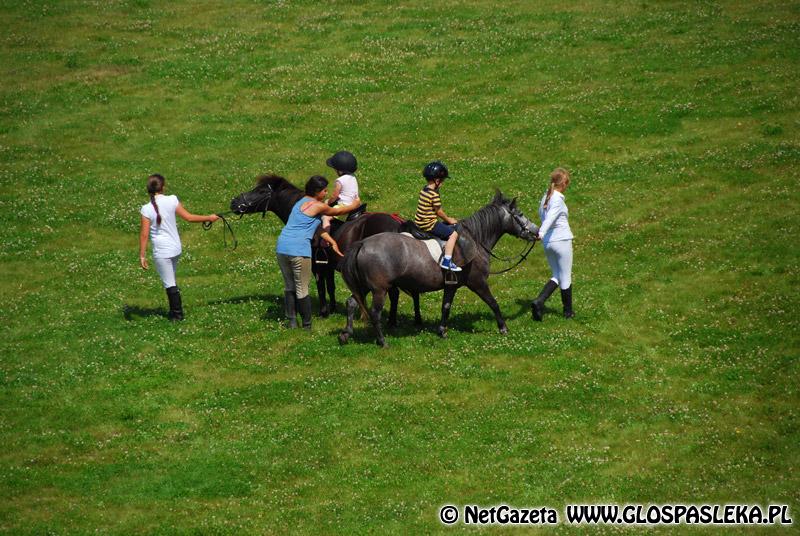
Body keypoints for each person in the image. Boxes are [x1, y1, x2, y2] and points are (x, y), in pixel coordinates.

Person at [276, 175, 360, 329]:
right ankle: (307, 325)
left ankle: (292, 321)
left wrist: (332, 241)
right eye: (324, 190)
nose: (327, 193)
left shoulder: (299, 203)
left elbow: (314, 226)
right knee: (302, 288)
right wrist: (355, 204)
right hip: (298, 250)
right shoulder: (318, 206)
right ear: (317, 191)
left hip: (282, 247)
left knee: (289, 286)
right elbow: (339, 210)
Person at [138, 173, 219, 320]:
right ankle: (174, 311)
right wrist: (209, 217)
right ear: (163, 187)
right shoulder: (172, 199)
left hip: (162, 252)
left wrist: (142, 255)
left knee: (169, 283)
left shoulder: (146, 209)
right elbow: (189, 217)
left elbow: (144, 235)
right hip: (175, 248)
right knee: (171, 280)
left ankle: (177, 315)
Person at [531, 167, 574, 320]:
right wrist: (541, 233)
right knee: (565, 276)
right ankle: (568, 312)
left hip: (548, 243)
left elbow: (544, 217)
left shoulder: (546, 197)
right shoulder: (557, 199)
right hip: (561, 241)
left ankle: (539, 301)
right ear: (563, 183)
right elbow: (550, 218)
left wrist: (542, 234)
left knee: (557, 274)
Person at [413, 161, 461, 271]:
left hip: (419, 222)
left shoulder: (424, 190)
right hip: (429, 225)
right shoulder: (434, 195)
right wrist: (450, 220)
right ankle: (447, 261)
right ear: (437, 181)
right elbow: (439, 212)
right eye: (442, 181)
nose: (442, 183)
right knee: (453, 234)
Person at [321, 150, 360, 232]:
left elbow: (334, 196)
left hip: (343, 206)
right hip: (355, 203)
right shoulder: (353, 177)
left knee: (325, 217)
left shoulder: (340, 180)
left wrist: (327, 202)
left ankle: (325, 238)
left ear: (340, 171)